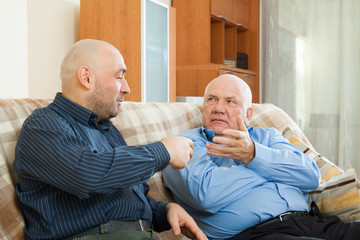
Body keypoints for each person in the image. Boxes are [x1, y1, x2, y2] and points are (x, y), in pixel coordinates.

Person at [13, 39, 207, 240]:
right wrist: (164, 150)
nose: (127, 88)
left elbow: (126, 197)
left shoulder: (107, 128)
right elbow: (87, 175)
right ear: (86, 78)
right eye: (119, 77)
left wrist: (166, 211)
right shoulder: (43, 125)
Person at [163, 74, 360, 240]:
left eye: (230, 101)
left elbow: (310, 176)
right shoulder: (183, 144)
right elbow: (206, 195)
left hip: (311, 223)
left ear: (248, 114)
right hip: (256, 234)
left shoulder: (267, 136)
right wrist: (266, 164)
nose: (218, 108)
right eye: (211, 99)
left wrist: (253, 154)